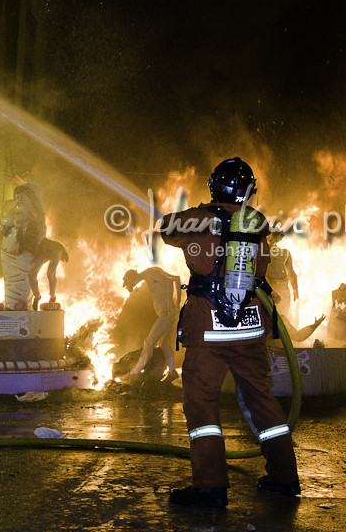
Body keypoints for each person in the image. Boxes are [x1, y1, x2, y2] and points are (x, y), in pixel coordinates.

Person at [159, 157, 299, 509]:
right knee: (262, 401)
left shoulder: (200, 220)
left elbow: (167, 230)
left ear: (214, 185)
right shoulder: (256, 225)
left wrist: (205, 214)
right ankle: (284, 478)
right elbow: (264, 269)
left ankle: (209, 486)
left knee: (201, 404)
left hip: (209, 328)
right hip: (250, 326)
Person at [118, 266, 181, 382]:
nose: (127, 286)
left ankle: (135, 372)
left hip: (166, 314)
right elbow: (173, 279)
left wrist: (176, 304)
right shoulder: (149, 276)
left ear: (132, 277)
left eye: (127, 282)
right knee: (163, 343)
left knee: (149, 342)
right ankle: (172, 372)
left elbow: (176, 279)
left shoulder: (151, 273)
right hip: (167, 314)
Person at [0, 183, 46, 311]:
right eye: (17, 197)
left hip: (24, 253)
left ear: (31, 198)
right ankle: (11, 305)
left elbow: (39, 234)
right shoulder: (13, 213)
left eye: (22, 197)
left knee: (23, 278)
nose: (19, 200)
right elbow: (3, 225)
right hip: (8, 252)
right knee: (10, 281)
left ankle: (23, 305)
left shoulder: (35, 216)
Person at [30, 238, 69, 310]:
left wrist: (63, 251)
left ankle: (52, 297)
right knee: (31, 272)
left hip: (55, 250)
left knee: (50, 273)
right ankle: (37, 296)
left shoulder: (36, 237)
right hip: (44, 252)